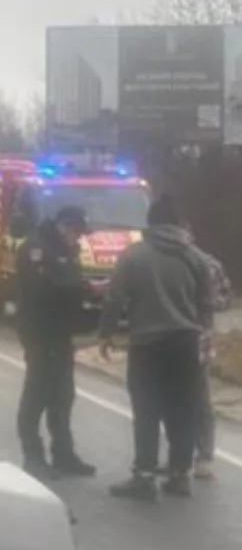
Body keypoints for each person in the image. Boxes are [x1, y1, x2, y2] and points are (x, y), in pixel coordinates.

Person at [99, 193, 213, 503]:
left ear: (150, 222)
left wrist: (106, 333)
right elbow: (207, 304)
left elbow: (115, 298)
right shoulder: (197, 258)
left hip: (147, 345)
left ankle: (145, 476)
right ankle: (179, 475)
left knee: (147, 411)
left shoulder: (134, 256)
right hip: (186, 344)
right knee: (183, 410)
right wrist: (204, 338)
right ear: (179, 223)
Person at [14, 205, 95, 480]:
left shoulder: (67, 250)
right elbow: (43, 289)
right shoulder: (36, 249)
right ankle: (33, 456)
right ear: (63, 226)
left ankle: (63, 454)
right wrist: (82, 289)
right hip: (39, 331)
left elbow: (68, 285)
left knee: (62, 396)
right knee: (37, 393)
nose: (78, 237)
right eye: (76, 231)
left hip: (60, 332)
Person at [186, 229, 232, 482]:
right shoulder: (209, 262)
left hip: (175, 338)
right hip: (199, 338)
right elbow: (224, 300)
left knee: (183, 400)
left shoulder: (164, 263)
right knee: (200, 400)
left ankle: (186, 456)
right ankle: (202, 457)